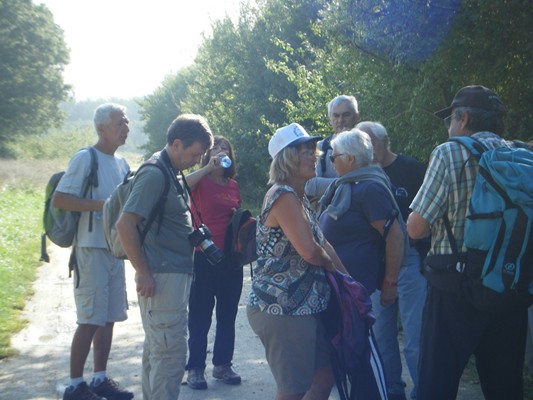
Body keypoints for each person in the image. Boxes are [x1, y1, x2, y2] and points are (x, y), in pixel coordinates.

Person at [407, 85, 527, 399]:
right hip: (508, 283)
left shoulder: (450, 152)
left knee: (437, 383)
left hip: (454, 287)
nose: (448, 127)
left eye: (451, 119)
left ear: (463, 118)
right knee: (505, 387)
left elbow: (416, 228)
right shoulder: (522, 156)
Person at [115, 114, 213, 400]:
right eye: (195, 154)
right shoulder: (155, 172)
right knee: (169, 354)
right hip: (161, 276)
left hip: (170, 275)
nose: (196, 160)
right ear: (177, 143)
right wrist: (143, 271)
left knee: (159, 352)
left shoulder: (170, 170)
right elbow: (125, 223)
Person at [247, 123, 348, 400]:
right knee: (293, 390)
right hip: (282, 307)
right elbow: (311, 251)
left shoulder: (299, 197)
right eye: (304, 152)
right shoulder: (282, 195)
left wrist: (348, 282)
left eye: (311, 150)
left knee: (324, 378)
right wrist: (331, 267)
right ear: (287, 159)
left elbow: (323, 244)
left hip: (304, 307)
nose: (312, 156)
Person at [53, 103, 133, 400]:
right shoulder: (85, 159)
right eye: (120, 123)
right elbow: (60, 199)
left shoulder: (122, 164)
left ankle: (99, 378)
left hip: (114, 250)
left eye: (126, 123)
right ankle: (75, 385)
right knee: (90, 318)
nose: (126, 128)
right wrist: (101, 205)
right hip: (89, 249)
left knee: (109, 317)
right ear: (102, 129)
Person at [356, 121, 427, 400]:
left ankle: (425, 391)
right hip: (378, 265)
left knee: (416, 338)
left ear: (384, 141)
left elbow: (431, 214)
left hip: (411, 264)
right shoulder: (362, 174)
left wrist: (425, 255)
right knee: (382, 336)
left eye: (369, 141)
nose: (366, 148)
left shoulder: (411, 169)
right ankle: (391, 391)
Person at [318, 128, 405, 304]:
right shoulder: (344, 186)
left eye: (334, 157)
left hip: (357, 289)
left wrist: (390, 283)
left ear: (350, 158)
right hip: (341, 286)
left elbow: (394, 236)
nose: (332, 162)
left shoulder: (370, 189)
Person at [184, 136, 243, 390]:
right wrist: (207, 167)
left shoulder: (233, 185)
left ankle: (223, 365)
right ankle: (195, 369)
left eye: (225, 148)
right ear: (208, 154)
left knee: (228, 314)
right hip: (205, 255)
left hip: (231, 258)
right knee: (200, 315)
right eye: (215, 148)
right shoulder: (200, 181)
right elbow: (180, 186)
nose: (220, 151)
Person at [305, 95, 360, 205]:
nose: (340, 120)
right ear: (330, 117)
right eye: (336, 115)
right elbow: (309, 185)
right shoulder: (321, 147)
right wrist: (353, 185)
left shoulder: (369, 145)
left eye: (346, 115)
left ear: (356, 116)